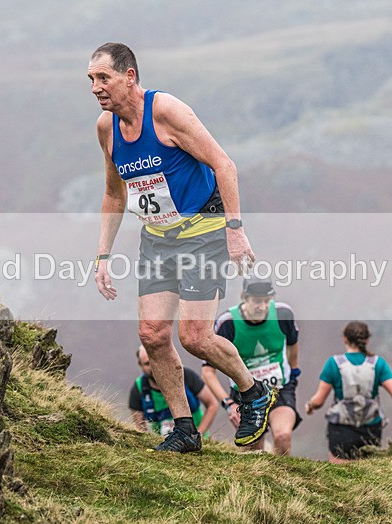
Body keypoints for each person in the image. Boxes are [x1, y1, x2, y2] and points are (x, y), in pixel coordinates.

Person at [88, 42, 276, 453]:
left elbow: (224, 164)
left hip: (203, 230)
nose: (96, 88)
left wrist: (235, 229)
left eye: (104, 78)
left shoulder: (166, 112)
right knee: (152, 334)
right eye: (91, 80)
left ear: (130, 77)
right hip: (157, 237)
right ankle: (185, 430)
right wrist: (103, 255)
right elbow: (114, 193)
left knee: (194, 336)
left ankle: (253, 390)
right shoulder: (107, 128)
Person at [202, 276, 301, 455]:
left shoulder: (283, 314)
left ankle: (284, 479)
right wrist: (229, 403)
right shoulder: (227, 323)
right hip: (246, 396)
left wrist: (293, 376)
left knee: (283, 436)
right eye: (257, 301)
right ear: (244, 297)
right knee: (254, 446)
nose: (262, 307)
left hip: (279, 388)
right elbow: (208, 372)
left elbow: (293, 347)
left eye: (266, 301)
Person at [304, 321, 392, 463]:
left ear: (344, 338)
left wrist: (310, 405)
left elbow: (319, 400)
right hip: (371, 429)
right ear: (367, 340)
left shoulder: (333, 363)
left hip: (341, 429)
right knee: (368, 477)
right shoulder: (378, 364)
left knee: (339, 477)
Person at [129, 345, 218, 438]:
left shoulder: (184, 375)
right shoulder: (139, 389)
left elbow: (212, 405)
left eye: (155, 361)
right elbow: (139, 428)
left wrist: (198, 436)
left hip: (199, 442)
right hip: (166, 446)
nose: (153, 367)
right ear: (140, 364)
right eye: (147, 363)